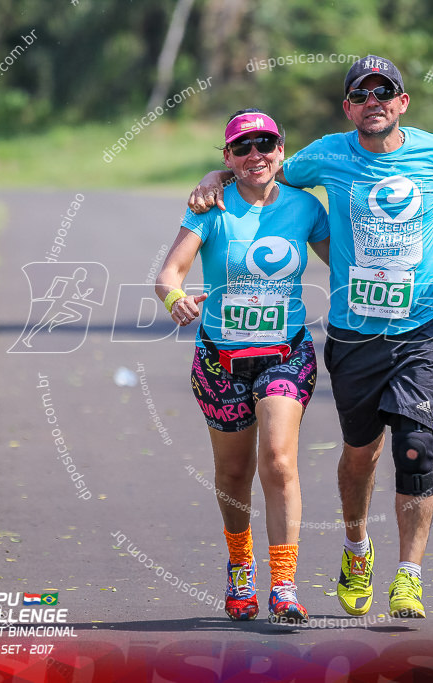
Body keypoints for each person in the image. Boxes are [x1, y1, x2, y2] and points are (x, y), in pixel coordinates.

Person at [188, 55, 433, 619]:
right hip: (355, 336)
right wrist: (215, 176)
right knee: (360, 457)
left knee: (416, 448)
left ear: (402, 102)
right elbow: (263, 170)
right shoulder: (325, 155)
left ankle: (410, 575)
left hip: (422, 326)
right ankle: (356, 547)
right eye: (361, 94)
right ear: (348, 107)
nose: (374, 101)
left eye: (384, 91)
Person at [157, 109, 330, 623]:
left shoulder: (305, 207)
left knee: (278, 459)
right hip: (220, 359)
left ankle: (284, 584)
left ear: (281, 149)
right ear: (227, 157)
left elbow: (343, 262)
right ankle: (239, 568)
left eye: (266, 144)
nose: (256, 154)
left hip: (286, 354)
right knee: (233, 472)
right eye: (243, 147)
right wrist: (176, 301)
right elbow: (169, 273)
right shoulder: (210, 207)